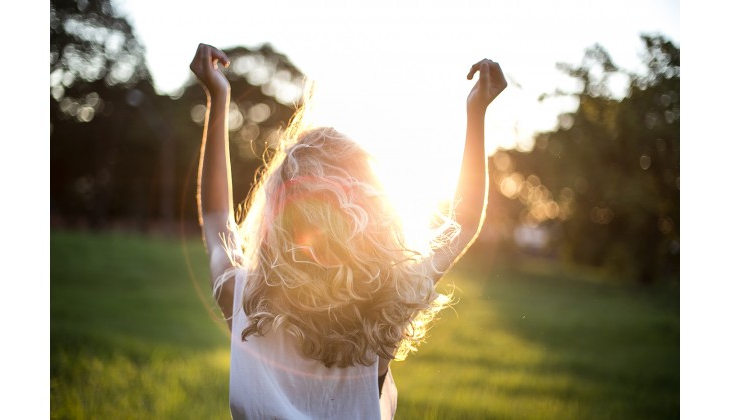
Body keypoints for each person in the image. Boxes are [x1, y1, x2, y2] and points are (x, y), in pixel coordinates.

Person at [191, 42, 506, 419]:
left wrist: (218, 96)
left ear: (276, 218)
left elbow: (217, 217)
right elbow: (463, 220)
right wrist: (477, 112)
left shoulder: (242, 297)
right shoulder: (386, 307)